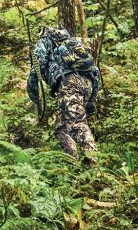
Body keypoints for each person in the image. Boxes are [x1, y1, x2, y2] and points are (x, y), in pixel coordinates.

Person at [27, 27, 100, 157]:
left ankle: (94, 165)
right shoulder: (72, 42)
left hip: (68, 82)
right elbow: (95, 71)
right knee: (61, 126)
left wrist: (33, 94)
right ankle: (72, 160)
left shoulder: (44, 42)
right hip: (87, 83)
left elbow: (37, 68)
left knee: (76, 123)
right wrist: (91, 99)